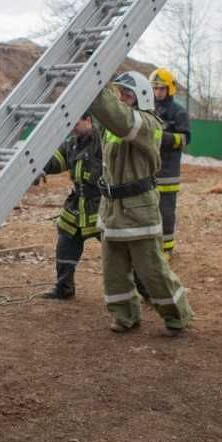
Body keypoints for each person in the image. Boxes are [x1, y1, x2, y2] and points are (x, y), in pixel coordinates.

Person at [89, 71, 193, 335]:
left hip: (138, 208)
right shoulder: (117, 123)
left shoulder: (147, 123)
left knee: (152, 270)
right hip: (112, 208)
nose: (121, 97)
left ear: (142, 97)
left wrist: (94, 83)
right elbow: (104, 117)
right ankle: (125, 316)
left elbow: (119, 119)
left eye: (127, 93)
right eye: (119, 92)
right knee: (113, 270)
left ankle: (177, 315)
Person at [39, 113, 103, 300]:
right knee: (66, 243)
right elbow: (56, 160)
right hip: (77, 203)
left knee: (120, 250)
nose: (72, 128)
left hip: (101, 204)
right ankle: (64, 288)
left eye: (76, 123)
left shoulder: (103, 141)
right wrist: (40, 168)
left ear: (89, 120)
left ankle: (145, 289)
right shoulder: (72, 143)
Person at [148, 67, 190, 258]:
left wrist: (161, 137)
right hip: (148, 169)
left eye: (162, 88)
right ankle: (150, 246)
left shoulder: (178, 112)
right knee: (148, 209)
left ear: (170, 89)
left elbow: (184, 140)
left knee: (166, 211)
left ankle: (166, 248)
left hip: (168, 171)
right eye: (155, 88)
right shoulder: (148, 108)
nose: (158, 92)